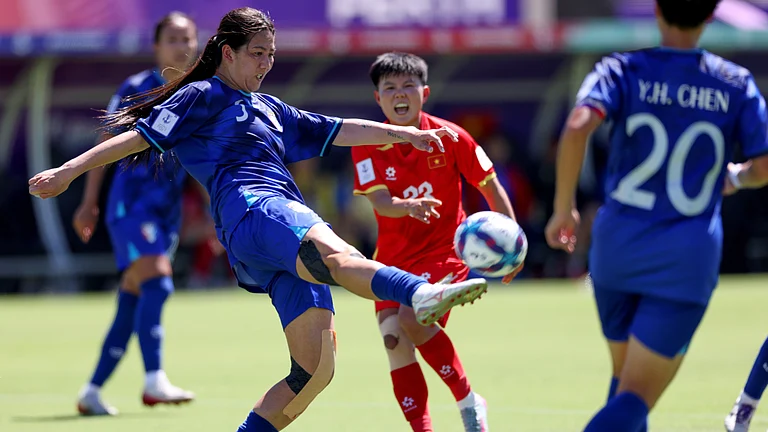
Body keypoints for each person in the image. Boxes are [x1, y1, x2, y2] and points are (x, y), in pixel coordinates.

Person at [28, 7, 489, 431]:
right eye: (257, 53)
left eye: (271, 53)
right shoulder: (202, 94)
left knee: (315, 369)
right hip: (255, 209)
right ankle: (421, 293)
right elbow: (137, 138)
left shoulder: (270, 107)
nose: (266, 63)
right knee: (337, 253)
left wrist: (402, 133)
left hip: (265, 241)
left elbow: (335, 128)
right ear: (227, 53)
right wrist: (69, 170)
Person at [544, 0, 768, 430]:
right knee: (635, 397)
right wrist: (735, 178)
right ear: (709, 16)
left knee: (625, 381)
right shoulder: (735, 82)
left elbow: (576, 126)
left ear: (658, 12)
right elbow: (762, 166)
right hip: (685, 256)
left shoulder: (623, 68)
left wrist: (563, 208)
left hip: (616, 249)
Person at [351, 52, 519, 432]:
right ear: (378, 98)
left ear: (424, 92)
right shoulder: (365, 142)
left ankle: (468, 402)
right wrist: (407, 206)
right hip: (391, 261)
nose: (400, 93)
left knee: (412, 318)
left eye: (408, 85)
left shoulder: (452, 137)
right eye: (390, 87)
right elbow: (379, 202)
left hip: (444, 253)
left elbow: (490, 186)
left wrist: (513, 245)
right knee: (395, 343)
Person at [71, 11, 198, 416]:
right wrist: (89, 202)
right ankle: (154, 379)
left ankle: (92, 391)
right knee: (158, 283)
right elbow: (105, 145)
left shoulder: (199, 91)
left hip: (165, 213)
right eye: (174, 38)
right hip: (130, 205)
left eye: (188, 38)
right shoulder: (136, 88)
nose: (182, 45)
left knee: (132, 298)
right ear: (157, 46)